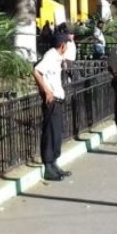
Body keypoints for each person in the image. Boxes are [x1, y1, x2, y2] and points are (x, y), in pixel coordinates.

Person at [33, 34, 73, 180]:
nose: (67, 48)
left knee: (57, 133)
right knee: (50, 132)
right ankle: (48, 165)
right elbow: (36, 71)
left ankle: (54, 163)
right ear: (62, 46)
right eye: (66, 45)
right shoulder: (50, 56)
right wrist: (47, 90)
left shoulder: (57, 58)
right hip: (52, 100)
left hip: (58, 99)